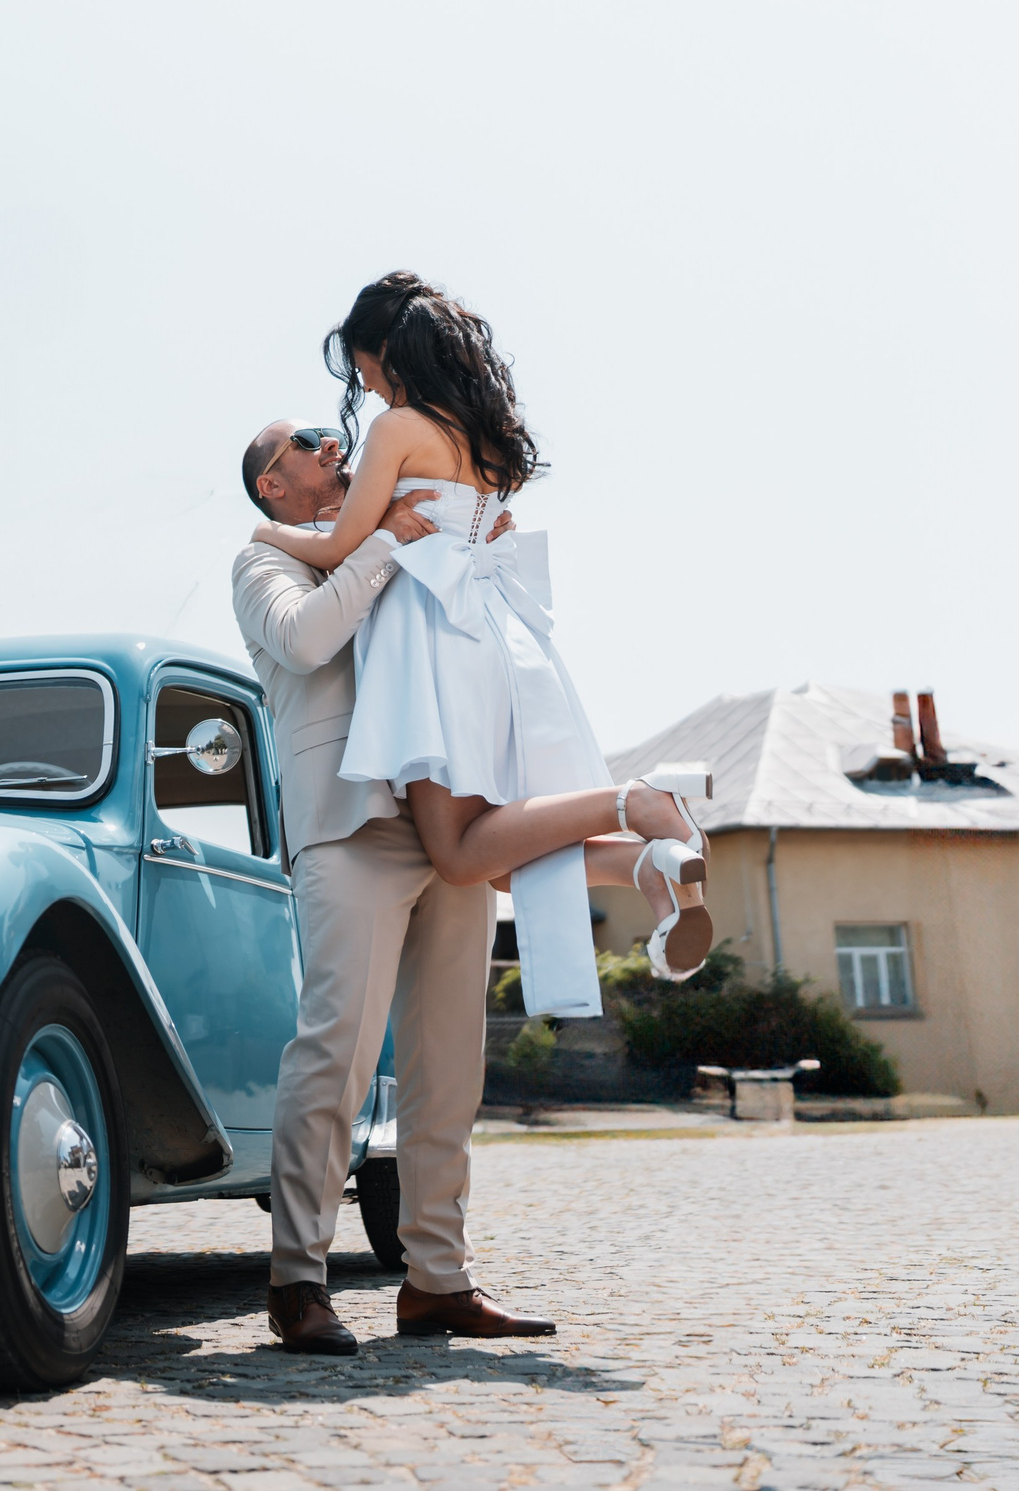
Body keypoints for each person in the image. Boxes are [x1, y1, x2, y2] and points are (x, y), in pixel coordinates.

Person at [234, 396, 708, 1355]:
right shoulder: (267, 558)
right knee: (338, 1049)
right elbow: (306, 640)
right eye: (308, 444)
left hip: (446, 811)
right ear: (273, 483)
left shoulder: (402, 532)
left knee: (450, 1058)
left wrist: (471, 541)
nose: (334, 446)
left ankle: (436, 1281)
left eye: (335, 438)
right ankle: (298, 1279)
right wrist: (387, 543)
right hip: (349, 824)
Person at [250, 274, 711, 1003]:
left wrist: (265, 530)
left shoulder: (399, 429)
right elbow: (476, 521)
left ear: (389, 352)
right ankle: (647, 866)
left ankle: (640, 802)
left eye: (364, 368)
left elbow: (341, 546)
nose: (364, 388)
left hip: (432, 635)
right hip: (499, 634)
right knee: (500, 854)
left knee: (461, 855)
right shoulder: (483, 432)